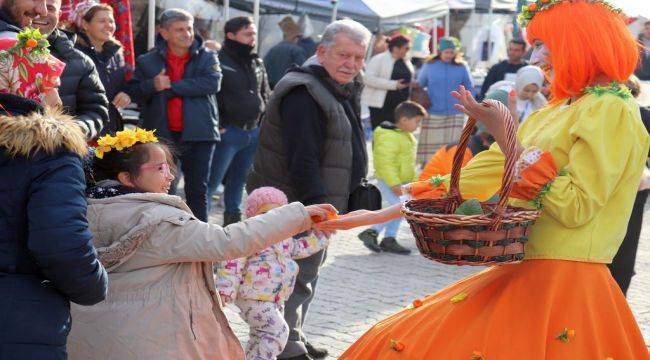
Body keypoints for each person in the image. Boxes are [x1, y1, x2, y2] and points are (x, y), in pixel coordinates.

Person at [317, 1, 650, 358]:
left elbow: (576, 206)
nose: (535, 58)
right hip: (526, 273)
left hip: (564, 285)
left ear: (577, 42)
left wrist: (507, 137)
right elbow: (480, 175)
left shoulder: (611, 109)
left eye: (542, 44)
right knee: (390, 340)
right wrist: (375, 215)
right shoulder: (558, 109)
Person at [65, 128, 335, 359]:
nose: (170, 176)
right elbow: (228, 241)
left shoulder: (82, 211)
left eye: (170, 167)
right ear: (126, 178)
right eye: (160, 168)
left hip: (89, 339)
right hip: (148, 344)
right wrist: (296, 216)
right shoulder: (160, 220)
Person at [247, 19, 371, 360]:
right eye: (344, 55)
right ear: (321, 52)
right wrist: (318, 210)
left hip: (311, 202)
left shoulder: (334, 84)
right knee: (289, 277)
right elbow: (303, 159)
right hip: (294, 203)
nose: (352, 64)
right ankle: (286, 347)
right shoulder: (304, 92)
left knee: (306, 274)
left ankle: (294, 334)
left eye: (359, 57)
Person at [0, 30, 108, 359]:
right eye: (53, 85)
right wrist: (94, 284)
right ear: (29, 84)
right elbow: (61, 245)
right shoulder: (50, 151)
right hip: (18, 317)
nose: (59, 101)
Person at [126, 8, 221, 222]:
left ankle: (201, 245)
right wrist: (153, 84)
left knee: (198, 192)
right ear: (164, 33)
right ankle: (165, 238)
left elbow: (212, 83)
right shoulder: (147, 61)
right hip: (163, 138)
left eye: (189, 28)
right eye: (179, 29)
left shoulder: (208, 56)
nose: (187, 34)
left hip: (200, 135)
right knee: (163, 192)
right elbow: (134, 91)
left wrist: (171, 87)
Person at [216, 186, 330, 360]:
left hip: (276, 298)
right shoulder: (250, 236)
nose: (270, 219)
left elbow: (300, 248)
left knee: (260, 336)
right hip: (253, 297)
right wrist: (226, 290)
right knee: (277, 331)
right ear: (253, 215)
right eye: (264, 213)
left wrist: (321, 237)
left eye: (276, 214)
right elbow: (232, 261)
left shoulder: (284, 238)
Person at [207, 16, 269, 226]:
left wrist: (263, 121)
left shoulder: (256, 60)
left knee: (238, 184)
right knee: (211, 184)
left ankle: (232, 231)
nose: (253, 38)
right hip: (228, 133)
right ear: (231, 36)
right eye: (247, 34)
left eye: (254, 33)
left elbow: (265, 93)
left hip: (252, 133)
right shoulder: (217, 59)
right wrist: (218, 124)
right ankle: (200, 233)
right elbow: (211, 95)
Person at [32, 0, 110, 140]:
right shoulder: (5, 50)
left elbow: (96, 111)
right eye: (35, 5)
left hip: (60, 155)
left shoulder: (81, 62)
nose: (42, 12)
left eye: (50, 8)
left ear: (59, 14)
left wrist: (70, 132)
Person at [358, 101, 425, 254]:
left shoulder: (405, 135)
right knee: (398, 209)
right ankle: (372, 232)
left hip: (402, 182)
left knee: (399, 209)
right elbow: (385, 163)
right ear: (404, 120)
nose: (418, 126)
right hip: (390, 181)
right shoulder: (388, 136)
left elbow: (407, 161)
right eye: (417, 121)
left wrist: (413, 181)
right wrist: (394, 184)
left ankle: (388, 239)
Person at [608, 75, 650, 296]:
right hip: (606, 192)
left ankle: (617, 300)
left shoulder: (644, 116)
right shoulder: (605, 116)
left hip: (633, 193)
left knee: (625, 255)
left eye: (631, 95)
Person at [417, 89, 508, 182]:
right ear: (485, 140)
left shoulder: (487, 149)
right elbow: (458, 187)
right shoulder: (463, 150)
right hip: (431, 193)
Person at [72, 2, 130, 135]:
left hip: (111, 127)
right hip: (86, 128)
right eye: (102, 21)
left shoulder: (115, 53)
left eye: (111, 21)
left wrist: (126, 93)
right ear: (85, 25)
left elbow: (122, 86)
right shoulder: (74, 53)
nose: (109, 25)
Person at [416, 36, 473, 166]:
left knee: (452, 146)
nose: (449, 55)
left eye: (452, 52)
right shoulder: (429, 66)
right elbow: (419, 84)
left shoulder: (462, 67)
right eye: (446, 52)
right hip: (432, 112)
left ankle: (450, 171)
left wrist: (468, 102)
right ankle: (429, 169)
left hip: (455, 112)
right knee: (431, 149)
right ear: (440, 51)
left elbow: (469, 86)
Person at [361, 34, 414, 130]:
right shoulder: (379, 59)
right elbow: (368, 79)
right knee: (382, 134)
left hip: (400, 106)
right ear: (396, 48)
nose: (408, 51)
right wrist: (394, 85)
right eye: (406, 48)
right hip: (381, 106)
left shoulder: (406, 61)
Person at [264, 16, 307, 89]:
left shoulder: (273, 49)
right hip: (286, 89)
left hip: (270, 88)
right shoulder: (297, 50)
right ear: (295, 37)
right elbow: (303, 71)